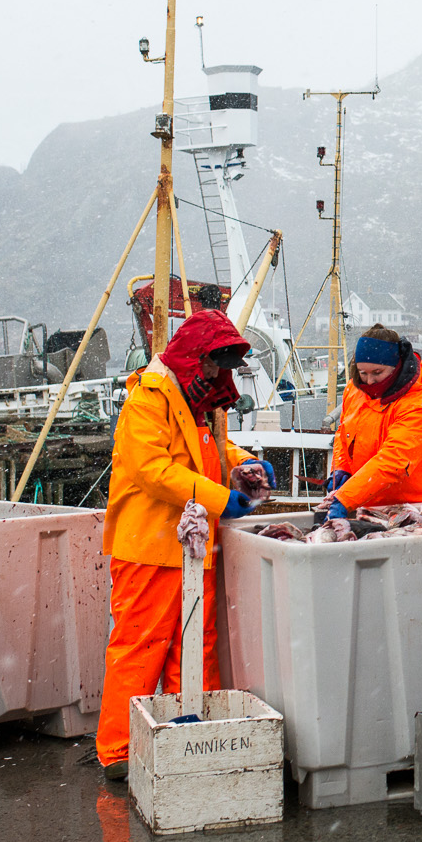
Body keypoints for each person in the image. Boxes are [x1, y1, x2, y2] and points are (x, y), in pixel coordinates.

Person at [96, 308, 273, 780]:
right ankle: (119, 751)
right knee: (140, 647)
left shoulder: (198, 400)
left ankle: (188, 736)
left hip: (191, 546)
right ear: (195, 357)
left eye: (222, 366)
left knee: (195, 645)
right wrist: (221, 499)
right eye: (213, 362)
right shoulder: (149, 397)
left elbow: (210, 448)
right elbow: (152, 470)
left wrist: (246, 465)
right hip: (148, 546)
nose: (217, 373)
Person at [321, 324, 422, 517]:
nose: (369, 381)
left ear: (396, 367)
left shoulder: (417, 405)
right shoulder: (354, 390)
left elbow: (393, 460)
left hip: (416, 508)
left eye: (377, 373)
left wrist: (346, 498)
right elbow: (343, 435)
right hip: (364, 504)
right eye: (363, 373)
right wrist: (341, 468)